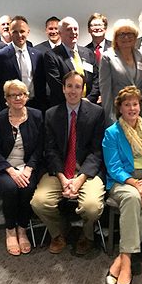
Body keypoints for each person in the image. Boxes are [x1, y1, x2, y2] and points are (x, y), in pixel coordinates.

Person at [31, 71, 106, 255]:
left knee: (91, 207)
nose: (73, 91)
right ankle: (58, 232)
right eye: (69, 86)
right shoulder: (51, 114)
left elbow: (97, 151)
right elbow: (50, 150)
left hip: (87, 172)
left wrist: (79, 180)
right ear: (63, 89)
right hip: (59, 171)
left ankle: (87, 235)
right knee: (39, 203)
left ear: (83, 89)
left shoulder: (97, 113)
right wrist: (63, 179)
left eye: (77, 87)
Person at [102, 86, 142, 284]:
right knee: (132, 197)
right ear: (120, 108)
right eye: (127, 104)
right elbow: (113, 167)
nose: (131, 108)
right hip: (123, 180)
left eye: (135, 104)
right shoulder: (112, 133)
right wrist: (135, 184)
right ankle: (127, 267)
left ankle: (122, 257)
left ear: (140, 106)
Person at [0, 80, 44, 256]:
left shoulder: (37, 116)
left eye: (21, 94)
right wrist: (11, 171)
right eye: (12, 95)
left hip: (27, 166)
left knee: (27, 188)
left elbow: (39, 148)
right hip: (2, 166)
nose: (17, 98)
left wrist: (29, 169)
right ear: (7, 99)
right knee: (11, 188)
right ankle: (10, 230)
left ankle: (22, 229)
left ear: (26, 96)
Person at [0, 16, 47, 115]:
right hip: (10, 109)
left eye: (22, 31)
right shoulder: (0, 56)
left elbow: (41, 84)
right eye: (15, 32)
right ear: (10, 32)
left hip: (35, 107)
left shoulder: (37, 55)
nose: (19, 35)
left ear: (28, 32)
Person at [100, 19, 142, 122]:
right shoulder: (108, 57)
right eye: (122, 34)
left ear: (135, 37)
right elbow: (105, 92)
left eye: (130, 34)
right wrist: (110, 119)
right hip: (118, 114)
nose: (126, 37)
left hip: (139, 114)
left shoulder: (140, 56)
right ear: (116, 38)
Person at [44, 16, 99, 107]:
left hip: (89, 105)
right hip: (64, 106)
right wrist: (75, 101)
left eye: (75, 29)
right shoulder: (52, 55)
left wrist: (89, 99)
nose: (73, 32)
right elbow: (56, 85)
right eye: (69, 29)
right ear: (60, 33)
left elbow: (96, 79)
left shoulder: (88, 53)